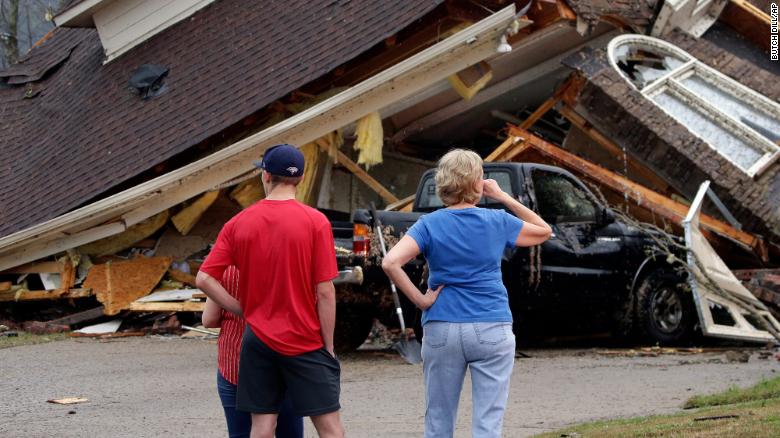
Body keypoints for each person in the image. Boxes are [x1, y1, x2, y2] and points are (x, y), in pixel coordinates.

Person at [382, 149, 552, 438]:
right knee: (487, 425)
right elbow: (543, 230)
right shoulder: (496, 220)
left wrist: (423, 301)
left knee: (438, 422)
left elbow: (390, 262)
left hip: (442, 327)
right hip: (491, 325)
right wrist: (503, 196)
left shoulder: (429, 224)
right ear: (477, 183)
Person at [196, 144, 345, 438]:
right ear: (300, 179)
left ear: (265, 175)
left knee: (262, 427)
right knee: (330, 430)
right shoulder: (316, 222)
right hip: (304, 338)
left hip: (258, 339)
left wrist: (241, 308)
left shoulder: (238, 223)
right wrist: (328, 346)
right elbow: (325, 292)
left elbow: (204, 279)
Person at [202, 265, 303, 438]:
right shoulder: (289, 264)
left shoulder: (226, 269)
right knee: (289, 432)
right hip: (283, 360)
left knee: (240, 433)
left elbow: (209, 319)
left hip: (235, 362)